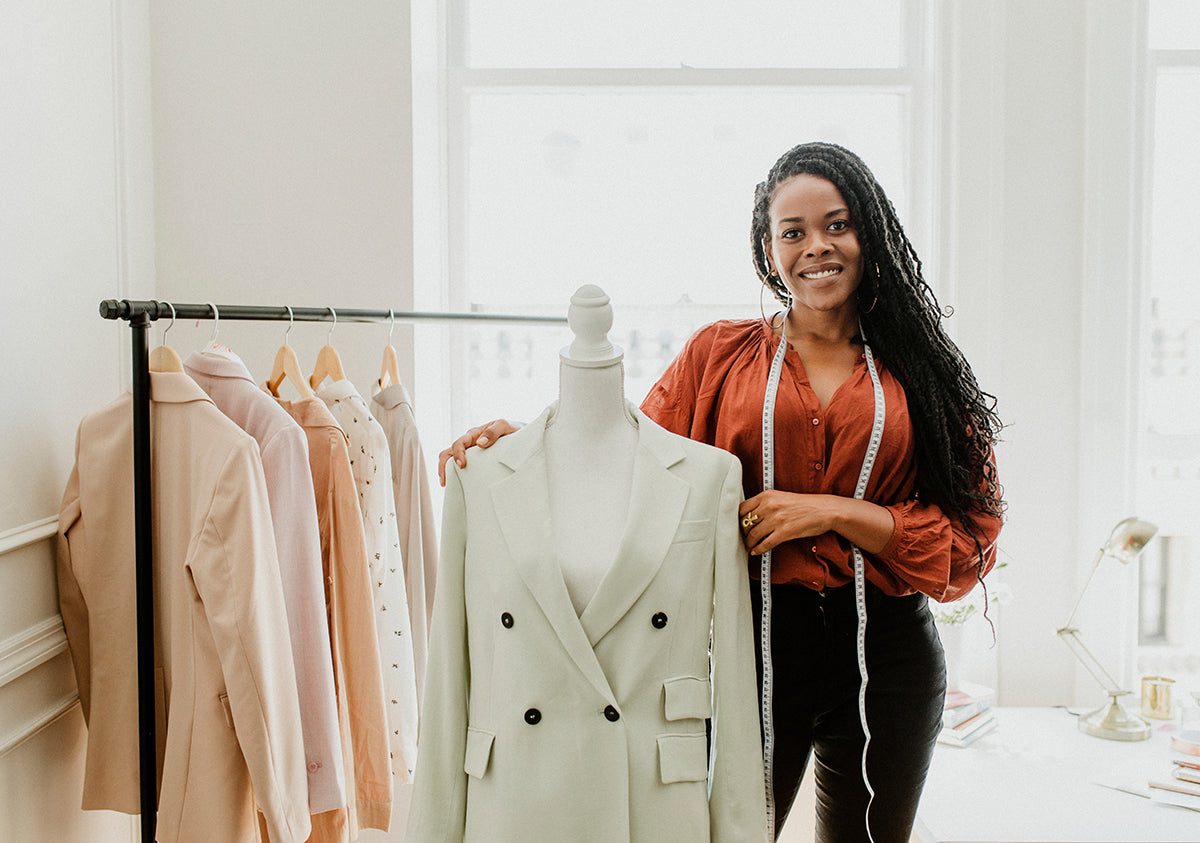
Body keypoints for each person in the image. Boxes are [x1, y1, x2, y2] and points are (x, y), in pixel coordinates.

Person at [438, 141, 1004, 843]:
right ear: (768, 252)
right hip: (760, 646)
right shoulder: (721, 354)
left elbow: (970, 539)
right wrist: (528, 441)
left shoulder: (919, 370)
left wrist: (831, 511)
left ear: (869, 232)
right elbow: (640, 460)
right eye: (792, 232)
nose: (816, 247)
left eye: (836, 224)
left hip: (890, 657)